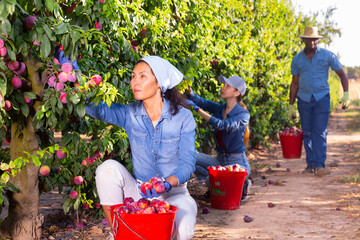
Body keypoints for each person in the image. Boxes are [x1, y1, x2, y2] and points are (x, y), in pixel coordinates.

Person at [85, 56, 198, 240]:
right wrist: (75, 82)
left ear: (159, 83)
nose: (135, 81)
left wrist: (167, 184)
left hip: (174, 195)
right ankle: (120, 233)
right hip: (140, 193)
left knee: (183, 229)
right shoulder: (130, 113)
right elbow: (100, 110)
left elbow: (187, 164)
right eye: (133, 76)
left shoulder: (183, 117)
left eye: (142, 76)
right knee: (107, 169)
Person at [288, 26, 350, 177]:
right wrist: (290, 105)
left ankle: (320, 165)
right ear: (303, 40)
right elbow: (295, 83)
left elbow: (342, 74)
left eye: (315, 39)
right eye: (309, 39)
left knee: (320, 131)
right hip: (303, 99)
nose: (312, 42)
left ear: (318, 40)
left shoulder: (328, 56)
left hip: (322, 98)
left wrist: (346, 93)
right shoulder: (297, 59)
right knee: (307, 132)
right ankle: (310, 164)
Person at [185, 75, 251, 202]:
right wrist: (190, 93)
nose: (223, 87)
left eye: (227, 86)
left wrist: (197, 109)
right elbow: (203, 102)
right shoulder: (221, 108)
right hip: (220, 160)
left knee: (215, 181)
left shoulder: (243, 114)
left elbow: (223, 125)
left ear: (237, 92)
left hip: (237, 163)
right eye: (224, 85)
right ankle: (218, 182)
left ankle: (243, 184)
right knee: (189, 157)